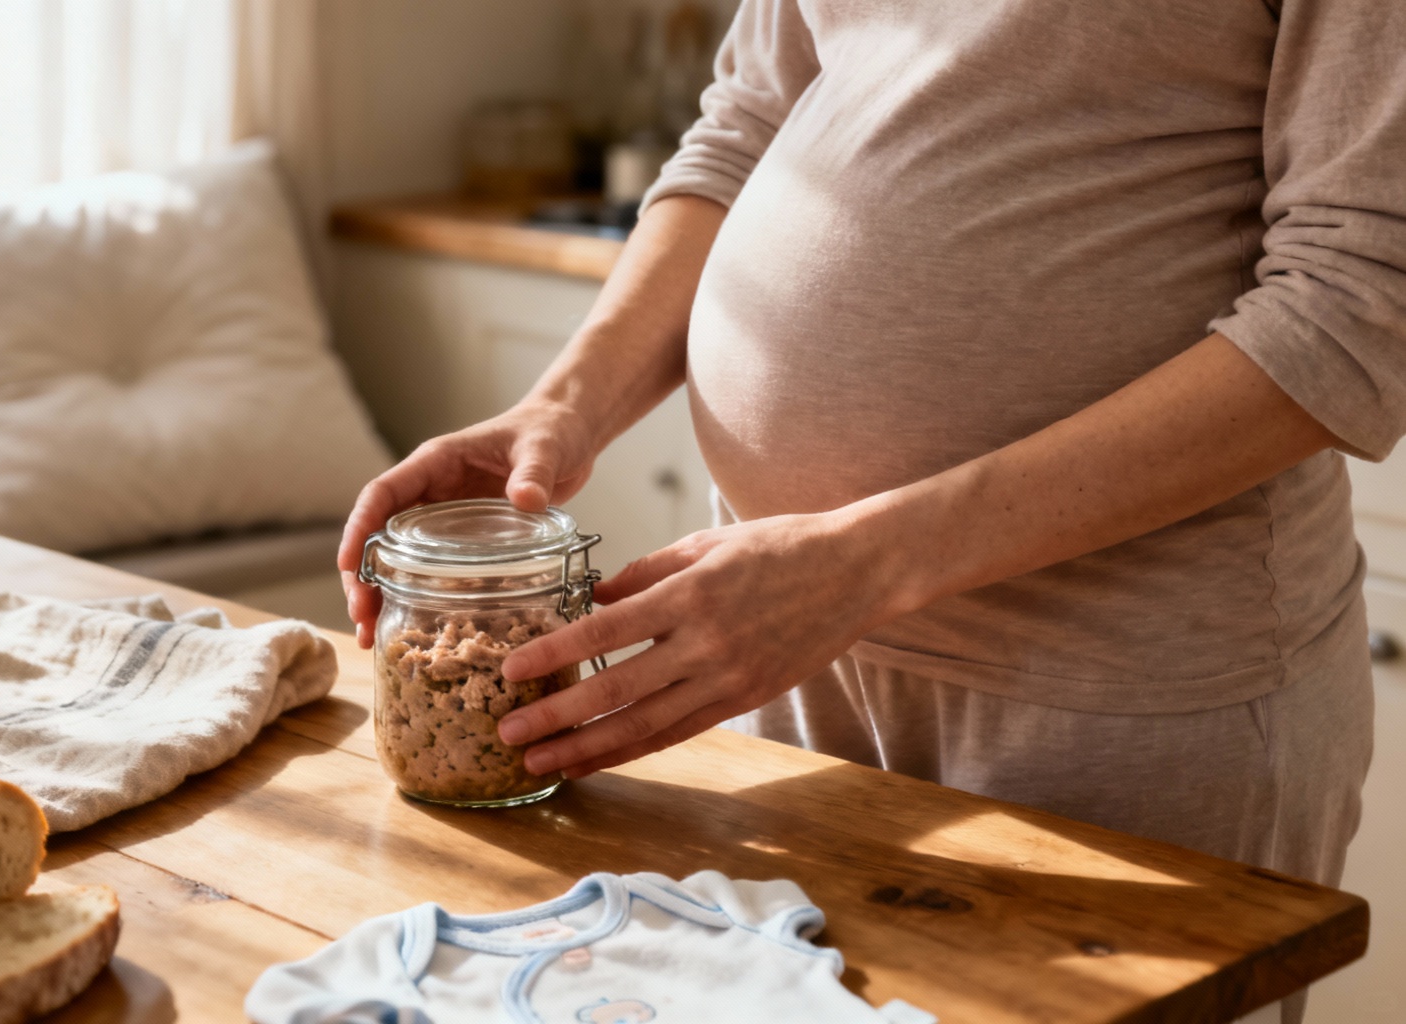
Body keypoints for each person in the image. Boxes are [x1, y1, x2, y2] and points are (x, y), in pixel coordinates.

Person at [341, 3, 1401, 1019]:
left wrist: (858, 566)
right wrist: (562, 404)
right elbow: (750, 123)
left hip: (1117, 694)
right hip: (783, 656)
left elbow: (1360, 300)